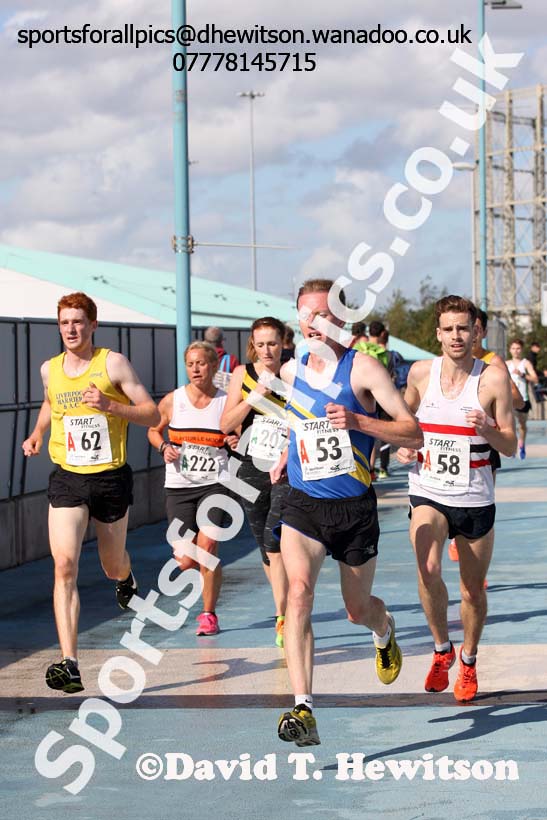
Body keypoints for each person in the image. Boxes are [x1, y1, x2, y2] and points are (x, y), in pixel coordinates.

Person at [275, 278, 423, 746]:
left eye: (325, 315)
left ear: (341, 320)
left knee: (357, 610)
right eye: (308, 314)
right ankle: (304, 707)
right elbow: (295, 425)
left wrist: (360, 421)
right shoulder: (290, 372)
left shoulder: (363, 370)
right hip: (302, 505)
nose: (315, 323)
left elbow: (412, 433)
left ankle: (384, 630)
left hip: (353, 509)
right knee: (298, 595)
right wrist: (282, 452)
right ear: (297, 318)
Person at [22, 292, 160, 694]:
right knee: (64, 565)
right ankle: (70, 663)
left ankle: (125, 575)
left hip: (110, 479)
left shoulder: (112, 363)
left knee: (110, 565)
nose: (71, 329)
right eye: (64, 322)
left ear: (93, 324)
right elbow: (51, 403)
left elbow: (151, 413)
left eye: (78, 322)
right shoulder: (50, 369)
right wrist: (37, 433)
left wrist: (111, 406)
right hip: (67, 476)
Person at [397, 295, 516, 703]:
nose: (456, 336)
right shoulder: (419, 374)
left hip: (475, 495)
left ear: (476, 331)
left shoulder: (492, 379)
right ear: (438, 334)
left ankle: (468, 658)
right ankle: (441, 650)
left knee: (471, 590)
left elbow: (511, 442)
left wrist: (487, 426)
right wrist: (403, 448)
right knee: (428, 566)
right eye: (448, 329)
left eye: (463, 328)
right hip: (427, 489)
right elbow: (403, 423)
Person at [148, 341, 238, 636]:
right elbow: (152, 428)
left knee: (209, 547)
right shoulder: (174, 400)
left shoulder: (226, 401)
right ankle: (204, 577)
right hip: (179, 486)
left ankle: (208, 614)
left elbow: (239, 434)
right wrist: (163, 447)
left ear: (213, 366)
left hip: (216, 484)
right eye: (190, 364)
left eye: (201, 363)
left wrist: (233, 442)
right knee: (187, 561)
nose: (196, 369)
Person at [220, 317, 290, 648]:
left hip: (288, 467)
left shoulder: (294, 373)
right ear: (252, 344)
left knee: (275, 539)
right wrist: (255, 396)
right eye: (260, 344)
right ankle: (284, 609)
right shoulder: (241, 375)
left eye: (272, 343)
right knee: (265, 546)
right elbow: (226, 424)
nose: (266, 350)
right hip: (250, 468)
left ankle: (284, 615)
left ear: (283, 343)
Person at [448, 308, 523, 563]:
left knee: (481, 500)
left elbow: (516, 398)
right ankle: (456, 536)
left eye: (475, 329)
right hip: (453, 443)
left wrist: (495, 388)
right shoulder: (449, 358)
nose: (471, 334)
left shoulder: (494, 362)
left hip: (486, 440)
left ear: (481, 332)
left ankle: (476, 560)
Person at [353, 321, 391, 479]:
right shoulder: (383, 352)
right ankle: (375, 469)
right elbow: (387, 375)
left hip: (359, 394)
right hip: (378, 395)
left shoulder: (356, 349)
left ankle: (360, 468)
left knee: (358, 430)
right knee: (378, 432)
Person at [506, 338, 538, 459]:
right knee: (510, 425)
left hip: (523, 399)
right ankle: (513, 447)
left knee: (522, 425)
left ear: (522, 349)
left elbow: (535, 379)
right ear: (510, 350)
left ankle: (522, 444)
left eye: (518, 348)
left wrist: (522, 374)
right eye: (513, 348)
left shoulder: (526, 363)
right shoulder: (506, 363)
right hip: (509, 399)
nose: (516, 351)